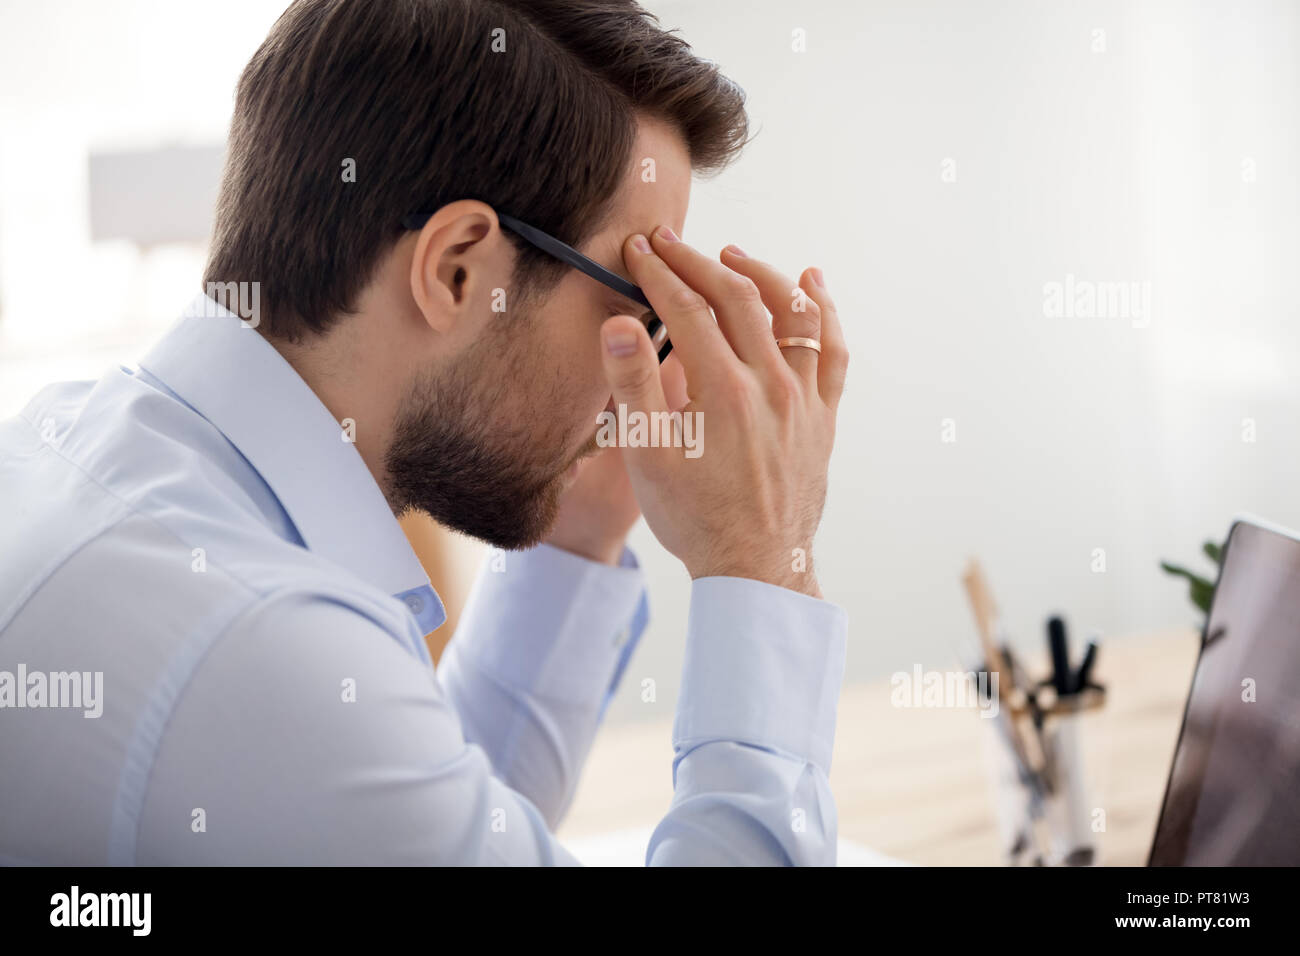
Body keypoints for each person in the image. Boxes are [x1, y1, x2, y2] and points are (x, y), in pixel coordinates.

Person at [0, 0, 848, 865]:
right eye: (636, 307)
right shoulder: (257, 650)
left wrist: (580, 526)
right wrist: (760, 556)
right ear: (457, 270)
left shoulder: (78, 445)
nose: (635, 378)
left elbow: (428, 820)